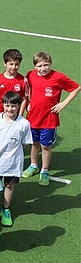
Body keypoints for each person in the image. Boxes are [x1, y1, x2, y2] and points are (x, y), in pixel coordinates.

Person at [22, 51, 80, 186]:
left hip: (49, 119)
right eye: (40, 66)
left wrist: (63, 103)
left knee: (45, 146)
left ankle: (45, 170)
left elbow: (76, 87)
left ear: (51, 64)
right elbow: (27, 88)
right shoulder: (30, 75)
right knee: (34, 143)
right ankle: (33, 165)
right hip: (33, 117)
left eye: (46, 65)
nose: (43, 69)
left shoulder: (58, 77)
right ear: (35, 66)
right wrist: (29, 101)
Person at [0, 92, 32, 226]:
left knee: (9, 185)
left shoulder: (24, 123)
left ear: (19, 106)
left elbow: (24, 142)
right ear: (2, 105)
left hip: (13, 162)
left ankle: (5, 209)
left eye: (13, 106)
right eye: (7, 105)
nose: (10, 109)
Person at [0, 49, 27, 115]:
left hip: (14, 115)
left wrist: (20, 115)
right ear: (5, 64)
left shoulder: (23, 80)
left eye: (17, 64)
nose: (14, 67)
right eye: (11, 64)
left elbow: (24, 99)